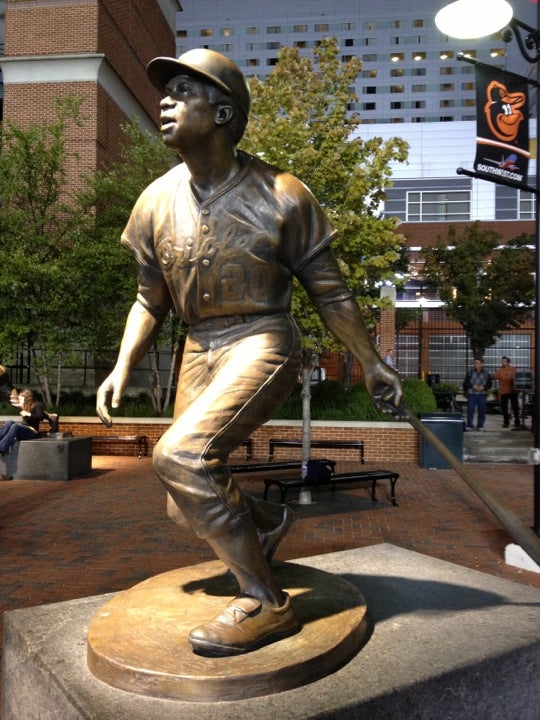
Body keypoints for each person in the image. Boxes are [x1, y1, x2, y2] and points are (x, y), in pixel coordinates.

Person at [96, 48, 402, 657]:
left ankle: (267, 602)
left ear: (224, 111)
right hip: (197, 345)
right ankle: (267, 520)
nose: (166, 100)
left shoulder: (283, 194)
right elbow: (148, 299)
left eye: (184, 91)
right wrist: (123, 363)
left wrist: (371, 361)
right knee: (184, 503)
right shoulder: (154, 200)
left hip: (262, 337)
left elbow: (331, 291)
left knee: (182, 457)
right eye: (168, 90)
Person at [0, 389, 52, 456]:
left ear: (27, 399)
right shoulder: (25, 407)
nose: (20, 402)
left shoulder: (37, 405)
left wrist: (28, 414)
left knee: (15, 426)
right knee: (10, 422)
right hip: (23, 428)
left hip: (32, 432)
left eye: (21, 400)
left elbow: (40, 417)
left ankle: (2, 447)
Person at [463, 359, 492, 431]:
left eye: (477, 363)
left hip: (482, 395)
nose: (475, 364)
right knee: (470, 410)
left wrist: (484, 387)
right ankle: (469, 426)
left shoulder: (487, 373)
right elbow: (465, 383)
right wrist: (473, 386)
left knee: (481, 411)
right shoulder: (470, 372)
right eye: (475, 363)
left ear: (482, 364)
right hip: (472, 394)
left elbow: (489, 384)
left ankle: (480, 426)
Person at [492, 356, 521, 428]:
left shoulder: (514, 369)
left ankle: (517, 422)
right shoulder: (500, 370)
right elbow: (494, 377)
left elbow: (518, 378)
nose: (502, 362)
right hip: (504, 391)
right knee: (504, 408)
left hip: (513, 391)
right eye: (502, 361)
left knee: (515, 407)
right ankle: (506, 422)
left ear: (508, 362)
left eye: (504, 361)